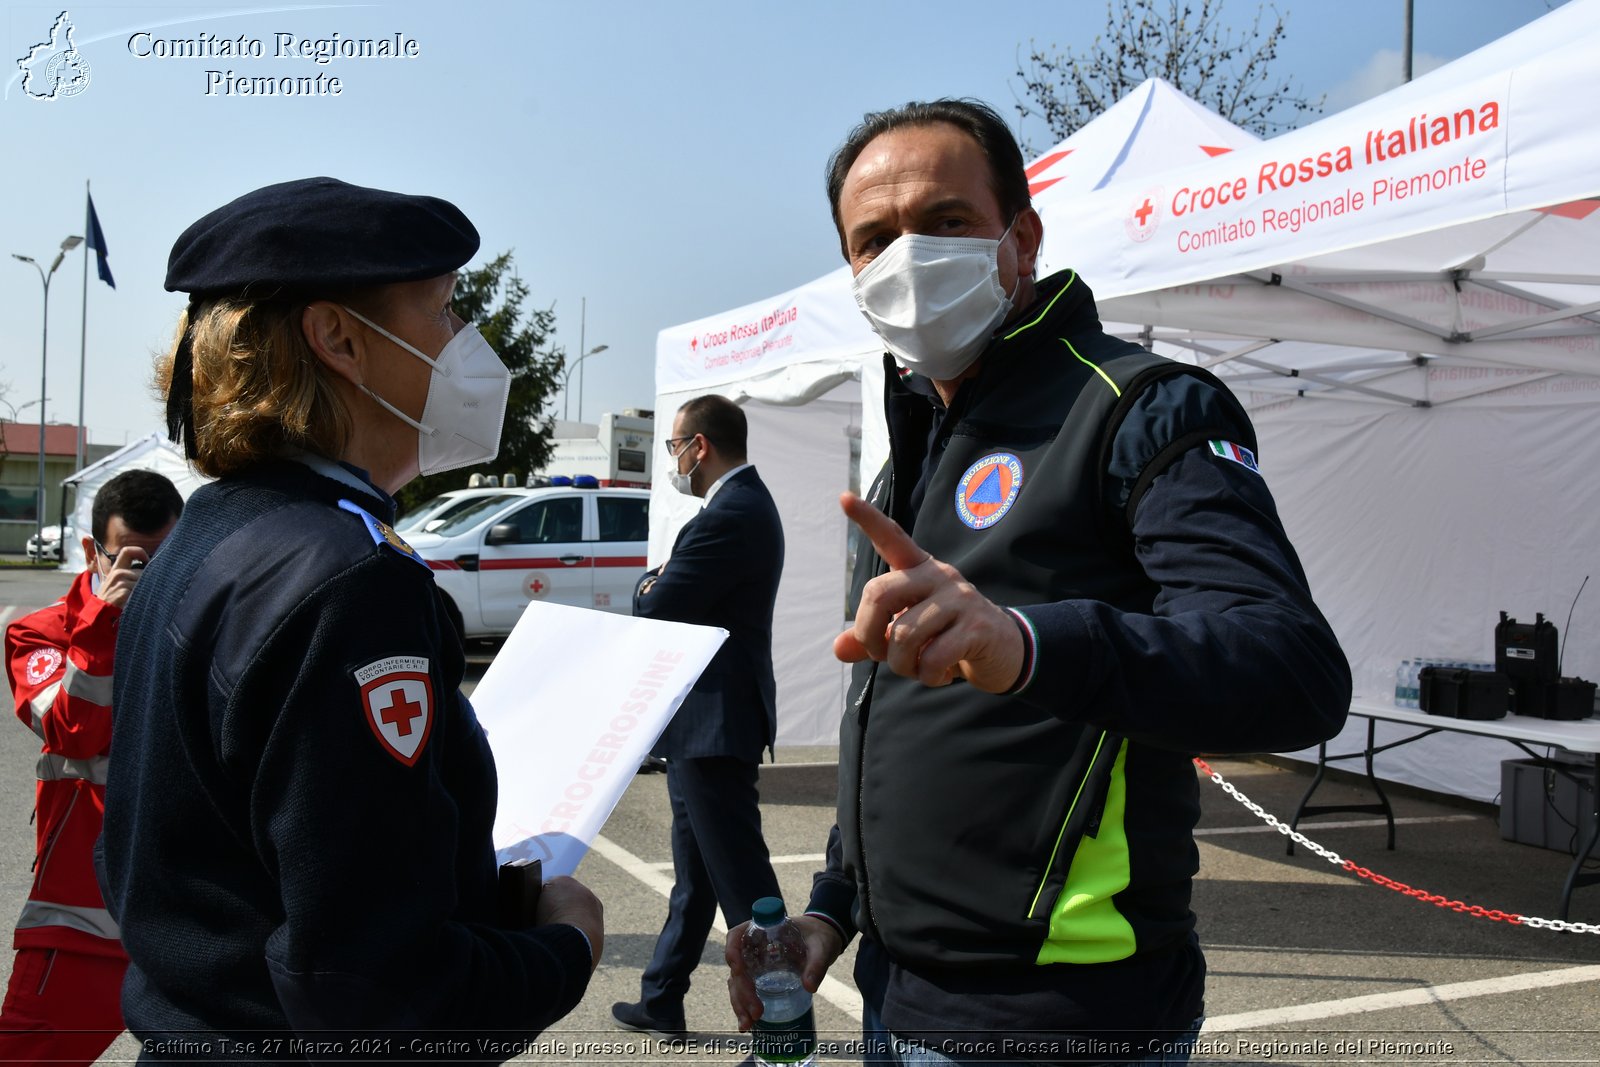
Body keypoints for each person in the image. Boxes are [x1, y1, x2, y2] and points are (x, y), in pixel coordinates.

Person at [725, 100, 1352, 1065]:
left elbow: (1292, 666)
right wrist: (831, 914)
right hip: (895, 1000)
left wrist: (1026, 644)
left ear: (1021, 239)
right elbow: (884, 710)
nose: (908, 259)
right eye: (874, 240)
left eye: (946, 223)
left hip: (1065, 1019)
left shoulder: (1140, 406)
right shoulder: (909, 457)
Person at [96, 177, 603, 1058]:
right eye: (446, 310)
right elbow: (376, 991)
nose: (464, 343)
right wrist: (564, 945)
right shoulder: (347, 580)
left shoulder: (210, 534)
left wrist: (469, 895)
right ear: (338, 338)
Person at [613, 395, 785, 1038]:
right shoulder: (737, 507)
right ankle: (662, 997)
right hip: (703, 725)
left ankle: (784, 1035)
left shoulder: (731, 512)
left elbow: (657, 606)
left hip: (716, 727)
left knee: (746, 888)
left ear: (701, 446)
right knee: (697, 878)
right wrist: (659, 582)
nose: (673, 460)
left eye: (674, 446)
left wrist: (649, 585)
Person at [0, 469, 183, 1065]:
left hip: (191, 926)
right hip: (83, 926)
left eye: (165, 558)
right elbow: (74, 735)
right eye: (131, 558)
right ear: (92, 552)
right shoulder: (39, 635)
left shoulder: (196, 626)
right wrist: (103, 626)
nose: (148, 576)